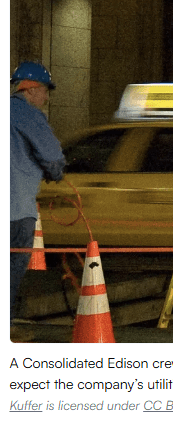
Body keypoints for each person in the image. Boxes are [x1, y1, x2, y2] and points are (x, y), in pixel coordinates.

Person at [10, 62, 66, 342]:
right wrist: (55, 173)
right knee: (12, 267)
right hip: (15, 209)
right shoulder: (28, 115)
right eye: (45, 91)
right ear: (31, 90)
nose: (46, 98)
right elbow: (53, 158)